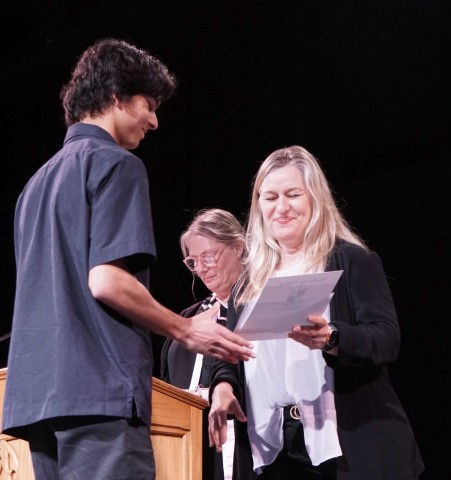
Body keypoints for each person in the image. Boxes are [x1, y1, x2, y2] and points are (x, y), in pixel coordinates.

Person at [1, 38, 253, 480]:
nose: (154, 121)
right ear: (116, 96)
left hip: (35, 403)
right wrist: (185, 328)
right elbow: (106, 281)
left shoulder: (33, 187)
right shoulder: (116, 164)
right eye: (149, 104)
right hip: (98, 393)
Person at [208, 145, 424, 480]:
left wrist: (332, 337)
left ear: (315, 199)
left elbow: (386, 338)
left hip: (343, 445)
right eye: (270, 197)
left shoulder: (351, 260)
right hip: (274, 446)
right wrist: (223, 386)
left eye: (293, 194)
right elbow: (231, 353)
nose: (281, 207)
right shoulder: (247, 282)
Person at [160, 208, 245, 480]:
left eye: (208, 256)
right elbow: (165, 386)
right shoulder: (187, 318)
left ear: (238, 248)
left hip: (240, 439)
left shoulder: (260, 307)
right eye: (193, 261)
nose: (200, 268)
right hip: (184, 443)